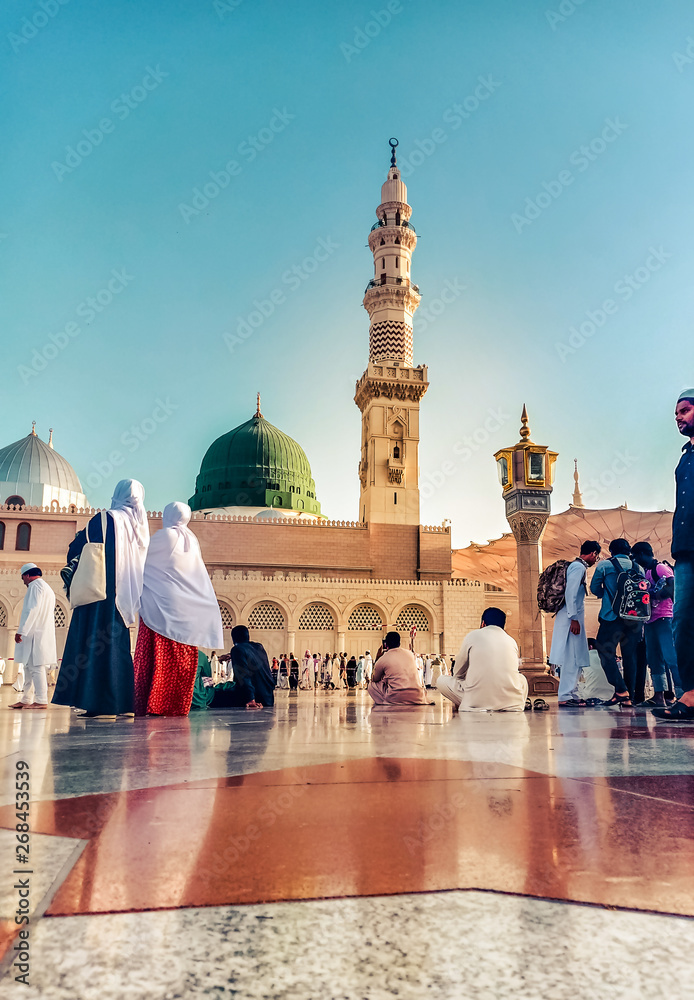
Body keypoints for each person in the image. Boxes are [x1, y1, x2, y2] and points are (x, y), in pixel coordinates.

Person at [52, 479, 149, 719]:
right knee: (119, 647)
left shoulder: (105, 519)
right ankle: (124, 704)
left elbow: (78, 547)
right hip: (124, 597)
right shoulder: (140, 527)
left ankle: (101, 705)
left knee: (93, 646)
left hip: (99, 595)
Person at [133, 502, 223, 717]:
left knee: (156, 656)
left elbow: (140, 563)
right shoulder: (191, 540)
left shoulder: (163, 537)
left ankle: (152, 703)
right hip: (185, 613)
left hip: (158, 608)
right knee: (180, 659)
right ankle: (176, 704)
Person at [654, 390, 694, 720]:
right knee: (683, 622)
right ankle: (691, 693)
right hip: (685, 551)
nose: (679, 417)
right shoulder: (684, 459)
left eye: (685, 410)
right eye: (676, 413)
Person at [436, 607, 527, 712]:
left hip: (476, 702)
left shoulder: (472, 635)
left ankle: (471, 701)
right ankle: (513, 703)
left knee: (441, 680)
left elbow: (458, 673)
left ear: (483, 623)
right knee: (522, 679)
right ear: (503, 626)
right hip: (511, 703)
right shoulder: (512, 641)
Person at [589, 538, 644, 706]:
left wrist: (606, 594)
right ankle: (629, 697)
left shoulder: (605, 566)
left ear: (611, 551)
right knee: (630, 658)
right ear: (629, 551)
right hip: (634, 619)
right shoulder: (638, 567)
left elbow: (594, 588)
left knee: (605, 652)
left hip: (611, 617)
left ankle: (621, 690)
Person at [548, 540, 602, 707]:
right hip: (571, 619)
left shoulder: (578, 567)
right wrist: (573, 619)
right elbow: (570, 593)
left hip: (572, 617)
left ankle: (572, 693)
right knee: (571, 658)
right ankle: (565, 695)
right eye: (596, 557)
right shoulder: (578, 568)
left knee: (576, 657)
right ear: (593, 553)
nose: (595, 561)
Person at [631, 541, 681, 707]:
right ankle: (659, 695)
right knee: (654, 660)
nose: (635, 560)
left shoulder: (660, 568)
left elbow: (673, 587)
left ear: (643, 554)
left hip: (665, 618)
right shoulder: (644, 572)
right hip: (650, 621)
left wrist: (657, 595)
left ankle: (682, 695)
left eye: (636, 556)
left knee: (671, 657)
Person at [9, 564, 57, 711]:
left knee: (36, 667)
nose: (22, 580)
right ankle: (26, 699)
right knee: (29, 667)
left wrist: (21, 631)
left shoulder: (35, 586)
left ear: (28, 575)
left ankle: (41, 700)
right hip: (37, 632)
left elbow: (32, 610)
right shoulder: (45, 587)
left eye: (23, 577)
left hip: (35, 633)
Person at [216, 625, 274, 709]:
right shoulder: (259, 647)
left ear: (233, 639)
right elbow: (250, 655)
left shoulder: (236, 649)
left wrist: (250, 699)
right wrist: (230, 655)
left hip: (254, 697)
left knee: (216, 695)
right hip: (268, 697)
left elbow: (243, 676)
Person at [368, 631, 430, 706]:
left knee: (371, 685)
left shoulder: (383, 658)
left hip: (396, 698)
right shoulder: (410, 654)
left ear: (385, 644)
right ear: (399, 643)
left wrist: (377, 659)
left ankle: (386, 700)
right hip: (417, 696)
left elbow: (375, 679)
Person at [577, 638, 615, 703]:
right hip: (611, 696)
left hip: (590, 695)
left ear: (590, 647)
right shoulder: (608, 657)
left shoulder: (583, 658)